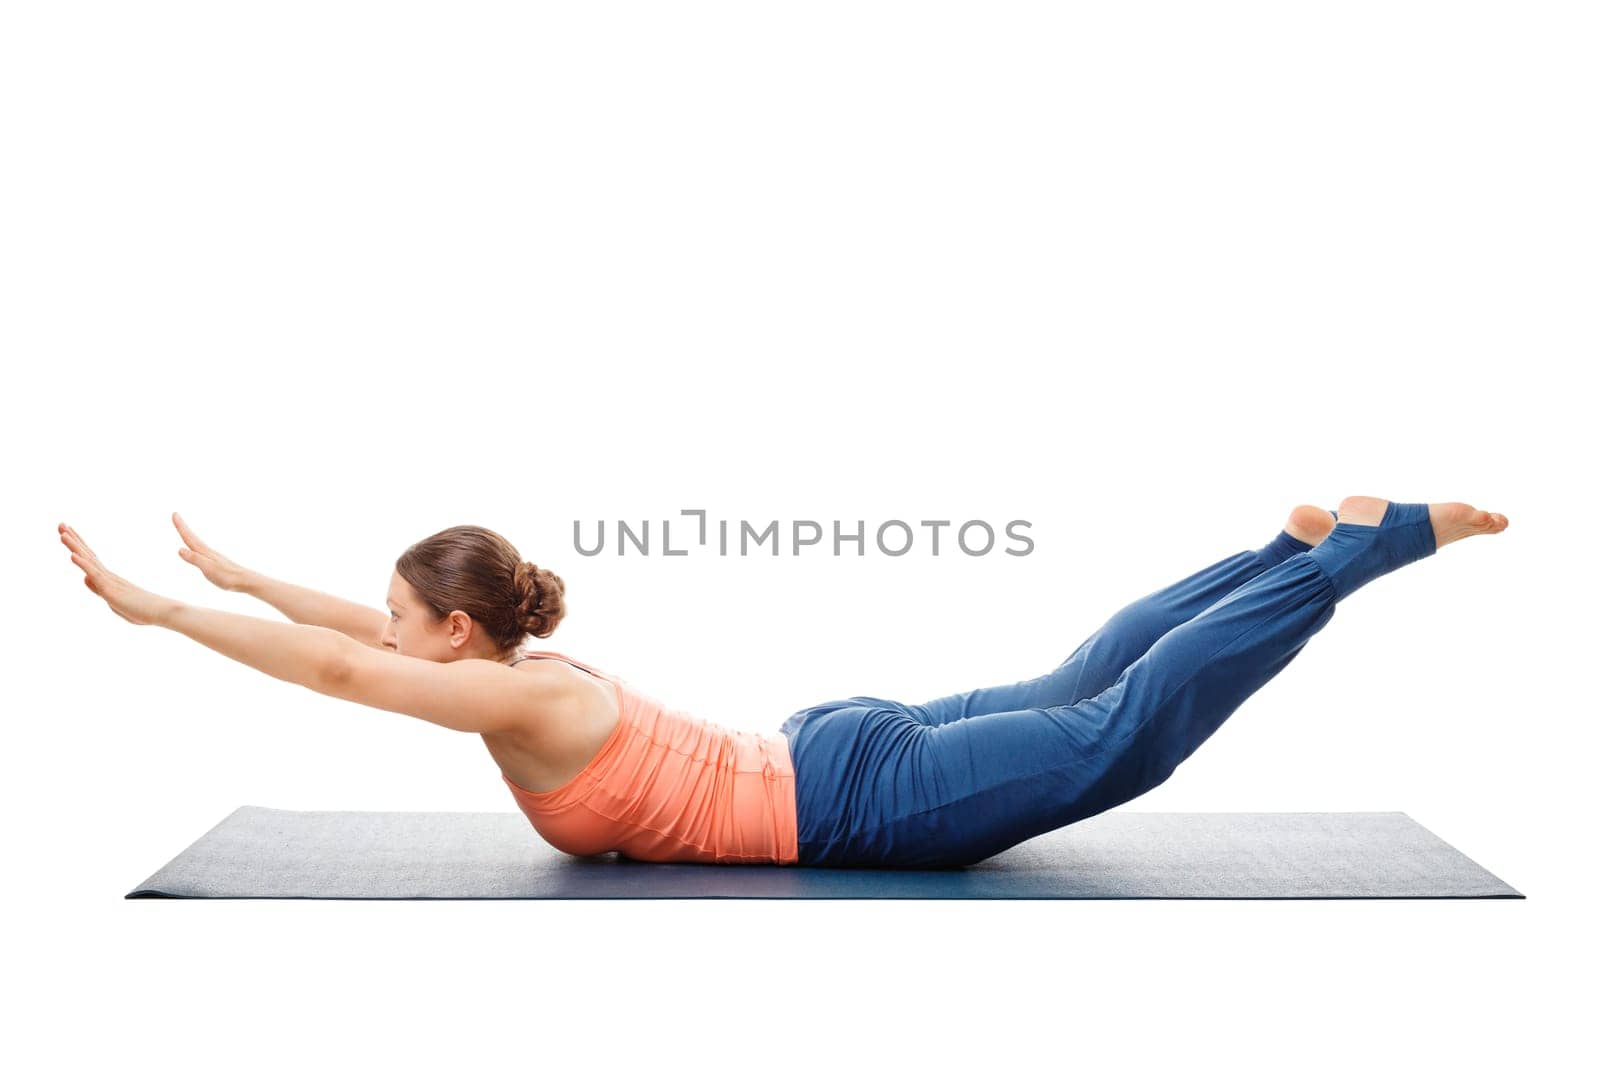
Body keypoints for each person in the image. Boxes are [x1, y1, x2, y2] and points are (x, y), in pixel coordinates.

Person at [59, 496, 1508, 870]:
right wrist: (240, 580)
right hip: (822, 754)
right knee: (1083, 683)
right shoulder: (505, 667)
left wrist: (160, 613)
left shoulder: (507, 699)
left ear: (453, 632)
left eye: (397, 615)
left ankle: (1341, 560)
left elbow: (331, 666)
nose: (382, 632)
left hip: (847, 798)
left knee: (1123, 736)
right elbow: (346, 634)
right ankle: (1282, 546)